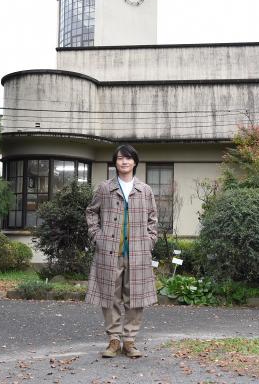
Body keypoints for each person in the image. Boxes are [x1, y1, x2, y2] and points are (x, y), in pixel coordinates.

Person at [85, 144, 158, 358]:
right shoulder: (105, 188)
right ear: (115, 162)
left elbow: (153, 219)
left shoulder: (145, 190)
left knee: (136, 297)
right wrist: (97, 237)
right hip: (109, 252)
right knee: (110, 296)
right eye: (120, 158)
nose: (124, 162)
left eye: (128, 158)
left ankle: (130, 340)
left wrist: (150, 241)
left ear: (135, 162)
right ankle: (114, 340)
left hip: (138, 253)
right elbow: (91, 213)